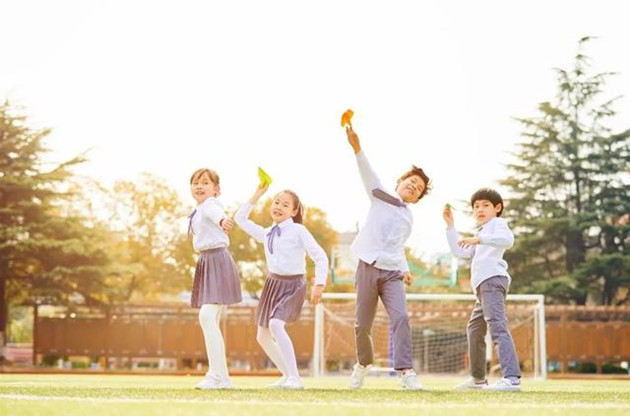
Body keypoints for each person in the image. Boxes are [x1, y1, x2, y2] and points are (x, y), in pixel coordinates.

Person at [345, 125, 430, 390]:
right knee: (362, 325)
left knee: (401, 317)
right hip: (368, 267)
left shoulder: (409, 217)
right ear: (400, 182)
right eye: (411, 182)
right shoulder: (380, 195)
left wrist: (404, 269)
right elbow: (366, 173)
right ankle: (362, 365)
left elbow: (398, 246)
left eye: (418, 188)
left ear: (417, 198)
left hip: (392, 273)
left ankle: (406, 372)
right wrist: (357, 147)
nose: (413, 187)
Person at [235, 184, 328, 389]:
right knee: (262, 335)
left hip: (294, 284)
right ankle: (287, 376)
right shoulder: (267, 233)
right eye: (276, 202)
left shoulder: (298, 230)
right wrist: (258, 192)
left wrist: (319, 284)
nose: (279, 206)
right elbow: (240, 219)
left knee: (276, 325)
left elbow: (320, 256)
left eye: (285, 205)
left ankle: (295, 378)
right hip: (272, 284)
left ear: (294, 212)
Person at [442, 188, 522, 391]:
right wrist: (451, 227)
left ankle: (512, 378)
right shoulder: (482, 232)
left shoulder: (498, 225)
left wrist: (479, 240)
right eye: (476, 206)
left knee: (497, 325)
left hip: (493, 281)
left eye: (485, 205)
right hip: (482, 288)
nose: (480, 209)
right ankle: (478, 379)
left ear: (497, 208)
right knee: (475, 329)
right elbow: (459, 251)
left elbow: (508, 241)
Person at [188, 168, 242, 390]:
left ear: (216, 190)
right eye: (195, 182)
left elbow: (216, 214)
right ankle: (222, 377)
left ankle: (216, 376)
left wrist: (223, 221)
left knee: (207, 316)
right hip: (207, 262)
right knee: (210, 318)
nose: (199, 186)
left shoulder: (210, 205)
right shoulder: (199, 208)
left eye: (205, 182)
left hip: (216, 260)